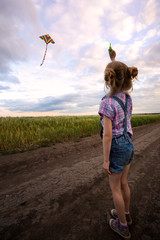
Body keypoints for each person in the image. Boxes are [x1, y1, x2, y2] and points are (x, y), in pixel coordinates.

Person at [98, 47, 138, 239]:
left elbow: (107, 136)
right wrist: (114, 59)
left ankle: (122, 226)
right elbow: (120, 72)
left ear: (108, 79)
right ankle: (127, 216)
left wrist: (106, 160)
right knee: (124, 183)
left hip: (116, 148)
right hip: (129, 144)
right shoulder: (127, 98)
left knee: (115, 189)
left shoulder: (107, 102)